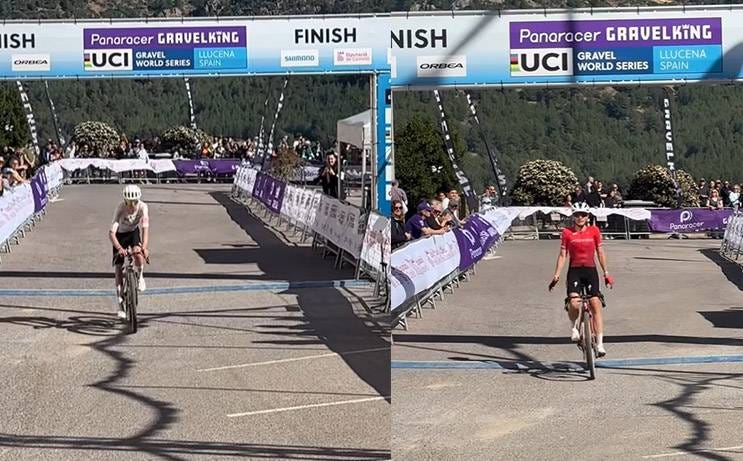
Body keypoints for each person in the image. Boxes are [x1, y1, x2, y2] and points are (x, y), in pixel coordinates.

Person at [549, 202, 614, 357]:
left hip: (590, 271)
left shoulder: (594, 231)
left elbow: (600, 252)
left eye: (583, 215)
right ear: (573, 216)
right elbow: (563, 255)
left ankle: (600, 344)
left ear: (587, 217)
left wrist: (606, 273)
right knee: (574, 303)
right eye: (577, 215)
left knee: (595, 303)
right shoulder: (567, 232)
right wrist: (556, 275)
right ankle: (574, 327)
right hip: (575, 271)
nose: (580, 217)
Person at [109, 185, 150, 319]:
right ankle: (120, 303)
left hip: (133, 233)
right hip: (120, 235)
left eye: (135, 202)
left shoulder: (143, 207)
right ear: (124, 201)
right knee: (118, 268)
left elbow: (145, 228)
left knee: (138, 253)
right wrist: (119, 248)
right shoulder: (120, 208)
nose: (132, 206)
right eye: (129, 202)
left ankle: (140, 276)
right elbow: (111, 233)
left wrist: (144, 247)